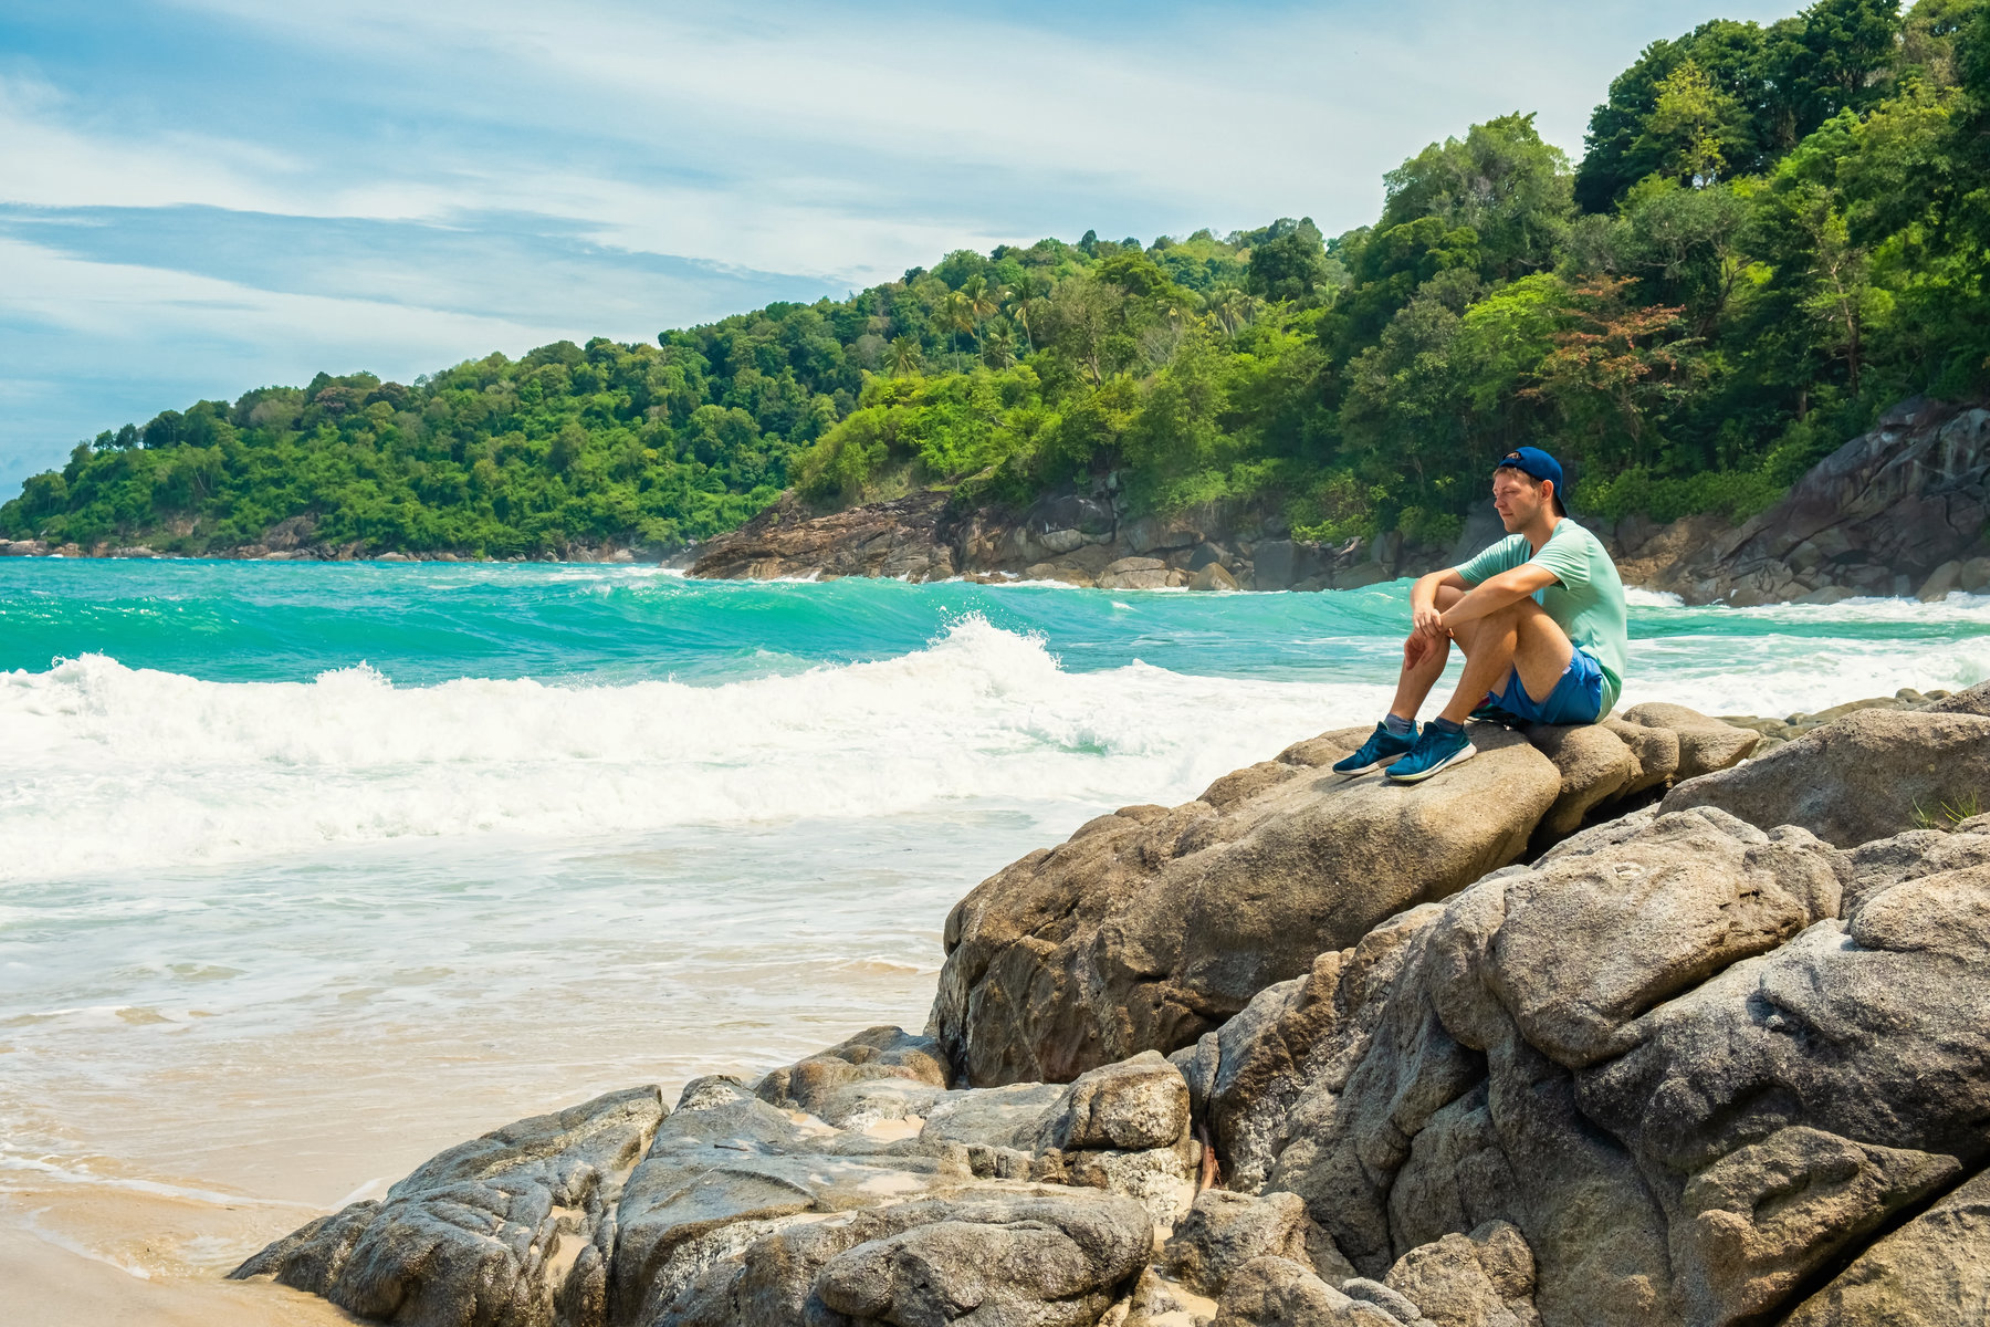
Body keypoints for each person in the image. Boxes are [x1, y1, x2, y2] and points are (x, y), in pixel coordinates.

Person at [1334, 446, 1628, 783]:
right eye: (1496, 493)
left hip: (1587, 690)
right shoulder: (1515, 547)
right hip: (1529, 687)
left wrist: (1441, 626)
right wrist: (1425, 616)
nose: (1498, 503)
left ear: (1545, 491)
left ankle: (1448, 732)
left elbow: (1505, 590)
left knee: (1509, 603)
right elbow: (1432, 581)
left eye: (1510, 493)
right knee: (1443, 597)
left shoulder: (1575, 542)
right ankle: (1398, 729)